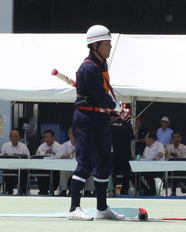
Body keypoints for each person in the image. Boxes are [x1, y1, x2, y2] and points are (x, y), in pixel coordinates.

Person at [68, 25, 124, 221]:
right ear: (95, 45)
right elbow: (101, 97)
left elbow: (102, 98)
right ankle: (74, 208)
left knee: (104, 164)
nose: (110, 47)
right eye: (107, 44)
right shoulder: (89, 67)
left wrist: (112, 111)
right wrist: (117, 107)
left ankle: (102, 208)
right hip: (85, 119)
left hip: (100, 118)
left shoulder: (102, 66)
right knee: (85, 162)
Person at [58, 127, 94, 197]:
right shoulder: (64, 146)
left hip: (81, 167)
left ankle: (88, 191)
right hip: (68, 169)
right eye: (73, 134)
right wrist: (71, 154)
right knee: (63, 171)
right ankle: (64, 190)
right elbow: (61, 157)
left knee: (91, 170)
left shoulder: (84, 144)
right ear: (69, 135)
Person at [129, 131, 165, 196]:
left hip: (157, 168)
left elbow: (161, 153)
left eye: (146, 137)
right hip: (146, 168)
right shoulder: (146, 148)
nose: (145, 139)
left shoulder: (159, 144)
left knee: (148, 175)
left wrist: (156, 158)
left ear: (151, 139)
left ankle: (153, 192)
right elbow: (145, 157)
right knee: (132, 175)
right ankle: (145, 190)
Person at [110, 112, 135, 195]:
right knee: (126, 172)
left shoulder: (112, 125)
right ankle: (124, 191)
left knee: (113, 171)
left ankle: (113, 189)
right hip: (125, 151)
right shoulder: (127, 125)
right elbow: (131, 137)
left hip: (115, 151)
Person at [0, 130, 30, 195]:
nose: (15, 138)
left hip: (21, 167)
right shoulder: (5, 145)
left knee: (24, 172)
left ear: (19, 137)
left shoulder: (23, 146)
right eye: (13, 136)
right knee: (8, 172)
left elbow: (28, 157)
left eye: (16, 136)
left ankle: (23, 191)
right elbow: (1, 156)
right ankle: (9, 190)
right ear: (10, 137)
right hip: (9, 167)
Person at [36, 129, 62, 195]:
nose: (47, 139)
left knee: (56, 173)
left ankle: (53, 189)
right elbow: (37, 155)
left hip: (55, 166)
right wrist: (45, 153)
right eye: (46, 137)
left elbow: (61, 155)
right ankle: (43, 190)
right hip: (44, 166)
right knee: (39, 171)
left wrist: (54, 154)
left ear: (53, 137)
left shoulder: (58, 146)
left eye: (49, 137)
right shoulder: (42, 146)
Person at [165, 131, 186, 196]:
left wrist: (176, 157)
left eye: (178, 137)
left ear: (180, 138)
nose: (176, 139)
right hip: (170, 169)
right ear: (172, 139)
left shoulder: (185, 148)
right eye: (174, 137)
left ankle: (173, 192)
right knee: (173, 170)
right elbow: (165, 159)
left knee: (175, 171)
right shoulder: (168, 147)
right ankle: (181, 184)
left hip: (182, 169)